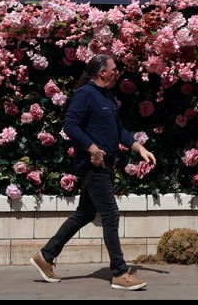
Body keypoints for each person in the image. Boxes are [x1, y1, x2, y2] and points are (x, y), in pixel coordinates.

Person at [32, 54, 157, 291]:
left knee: (85, 214)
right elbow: (70, 125)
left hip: (104, 166)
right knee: (110, 214)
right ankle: (119, 272)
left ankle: (45, 256)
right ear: (102, 72)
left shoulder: (107, 96)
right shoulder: (86, 94)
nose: (117, 72)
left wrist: (139, 148)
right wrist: (92, 148)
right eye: (114, 68)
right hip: (93, 166)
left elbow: (118, 128)